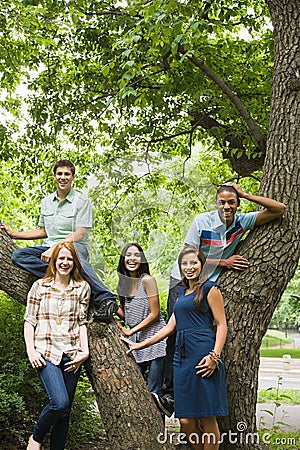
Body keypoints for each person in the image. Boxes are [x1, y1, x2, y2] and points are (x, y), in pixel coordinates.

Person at [159, 182, 286, 416]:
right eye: (222, 202)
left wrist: (246, 193)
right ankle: (169, 395)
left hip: (206, 285)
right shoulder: (201, 221)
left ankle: (197, 393)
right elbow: (187, 257)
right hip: (183, 280)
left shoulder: (242, 221)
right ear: (215, 203)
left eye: (231, 202)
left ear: (237, 204)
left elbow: (279, 209)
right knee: (175, 333)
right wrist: (224, 262)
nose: (226, 206)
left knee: (201, 334)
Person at [122, 245, 228, 450]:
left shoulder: (210, 288)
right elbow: (169, 327)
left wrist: (214, 356)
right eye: (185, 264)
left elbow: (222, 324)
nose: (189, 267)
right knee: (185, 420)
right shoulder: (181, 295)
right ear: (180, 267)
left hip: (203, 353)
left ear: (201, 265)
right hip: (181, 358)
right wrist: (139, 344)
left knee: (207, 417)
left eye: (194, 263)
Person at [1, 159, 117, 322]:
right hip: (50, 248)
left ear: (73, 177)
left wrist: (56, 248)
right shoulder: (46, 202)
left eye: (67, 174)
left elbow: (80, 233)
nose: (63, 177)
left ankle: (106, 298)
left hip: (75, 247)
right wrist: (14, 234)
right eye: (59, 174)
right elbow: (43, 231)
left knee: (73, 252)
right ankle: (67, 275)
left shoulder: (82, 201)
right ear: (54, 176)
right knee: (18, 256)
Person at [24, 242, 90, 450]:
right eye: (61, 258)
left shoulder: (82, 288)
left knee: (65, 412)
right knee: (59, 403)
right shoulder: (40, 286)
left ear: (75, 263)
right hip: (46, 351)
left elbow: (82, 322)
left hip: (71, 354)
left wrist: (85, 351)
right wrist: (31, 350)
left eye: (69, 259)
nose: (65, 262)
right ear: (54, 260)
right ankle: (35, 438)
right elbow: (29, 321)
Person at [115, 243, 167, 413]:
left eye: (136, 255)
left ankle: (160, 435)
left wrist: (131, 331)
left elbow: (155, 314)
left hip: (155, 339)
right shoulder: (122, 285)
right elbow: (128, 314)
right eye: (128, 255)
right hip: (136, 341)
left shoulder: (147, 280)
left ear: (142, 259)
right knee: (133, 386)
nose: (132, 258)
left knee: (154, 391)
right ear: (123, 259)